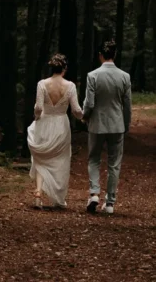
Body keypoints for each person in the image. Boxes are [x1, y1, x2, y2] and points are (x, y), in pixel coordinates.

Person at [27, 53, 83, 209]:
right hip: (61, 125)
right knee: (61, 161)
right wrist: (84, 117)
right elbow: (76, 110)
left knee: (40, 159)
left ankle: (38, 193)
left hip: (44, 122)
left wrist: (37, 117)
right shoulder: (70, 86)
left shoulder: (42, 84)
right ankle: (58, 198)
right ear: (64, 69)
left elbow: (38, 107)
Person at [83, 39, 132, 216]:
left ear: (100, 55)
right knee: (114, 164)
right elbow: (127, 105)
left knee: (94, 159)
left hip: (96, 123)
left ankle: (94, 193)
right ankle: (110, 202)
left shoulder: (93, 76)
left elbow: (89, 103)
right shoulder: (124, 77)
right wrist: (126, 124)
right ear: (115, 55)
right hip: (117, 124)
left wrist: (85, 116)